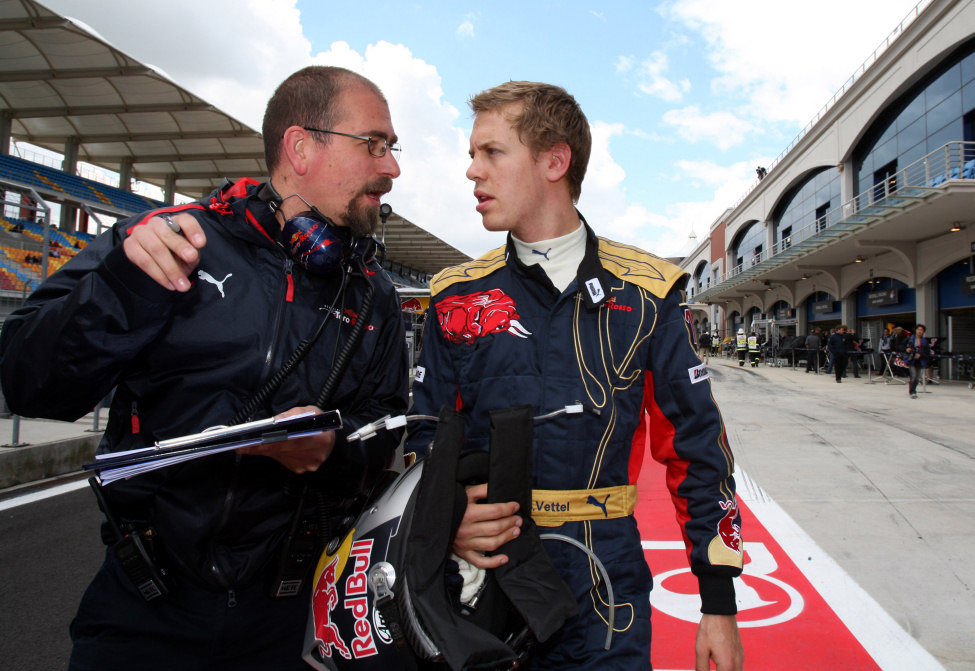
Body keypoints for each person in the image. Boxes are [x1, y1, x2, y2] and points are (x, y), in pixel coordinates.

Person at [0, 66, 409, 671]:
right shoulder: (166, 239)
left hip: (288, 622)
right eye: (374, 144)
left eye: (392, 149)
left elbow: (389, 434)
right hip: (144, 616)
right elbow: (26, 381)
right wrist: (122, 288)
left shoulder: (373, 296)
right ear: (301, 146)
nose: (391, 168)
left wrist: (332, 449)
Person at [405, 81, 743, 670]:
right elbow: (419, 440)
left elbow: (698, 448)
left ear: (554, 161)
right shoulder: (455, 298)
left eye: (491, 152)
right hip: (480, 586)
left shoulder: (647, 293)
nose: (470, 171)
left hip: (606, 591)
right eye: (471, 153)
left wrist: (718, 603)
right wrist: (448, 517)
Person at [905, 324, 931, 399]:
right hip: (911, 360)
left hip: (920, 361)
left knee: (917, 378)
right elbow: (901, 346)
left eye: (921, 330)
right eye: (918, 329)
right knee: (913, 376)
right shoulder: (910, 339)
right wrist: (907, 350)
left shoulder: (925, 341)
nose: (920, 331)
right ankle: (913, 392)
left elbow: (927, 352)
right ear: (915, 330)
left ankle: (912, 389)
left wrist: (921, 355)